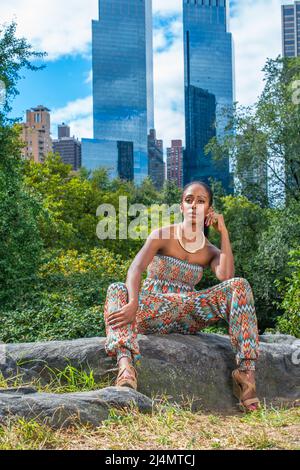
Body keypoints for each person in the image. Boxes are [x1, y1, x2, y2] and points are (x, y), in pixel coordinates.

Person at [103, 181, 260, 412]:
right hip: (153, 310)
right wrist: (134, 303)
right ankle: (126, 366)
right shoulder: (162, 236)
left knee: (239, 285)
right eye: (189, 200)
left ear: (209, 210)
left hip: (188, 314)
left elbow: (226, 276)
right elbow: (135, 270)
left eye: (201, 201)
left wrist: (223, 232)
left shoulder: (209, 250)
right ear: (181, 206)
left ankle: (246, 373)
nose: (194, 205)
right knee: (116, 289)